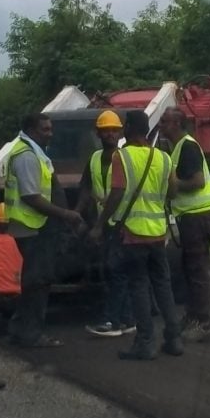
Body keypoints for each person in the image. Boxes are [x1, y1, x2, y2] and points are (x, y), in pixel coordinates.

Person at [92, 110, 183, 361]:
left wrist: (100, 224)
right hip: (158, 233)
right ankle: (174, 339)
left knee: (139, 286)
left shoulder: (123, 156)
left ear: (128, 128)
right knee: (163, 286)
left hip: (133, 234)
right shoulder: (163, 157)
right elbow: (173, 192)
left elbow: (118, 192)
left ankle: (145, 343)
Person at [5, 112, 84, 348]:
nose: (50, 134)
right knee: (37, 282)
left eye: (50, 129)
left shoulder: (32, 152)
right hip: (32, 226)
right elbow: (31, 197)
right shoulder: (27, 156)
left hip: (34, 226)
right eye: (45, 130)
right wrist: (65, 214)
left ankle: (20, 328)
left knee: (34, 280)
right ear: (30, 129)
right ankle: (31, 333)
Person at [158, 106, 210, 342]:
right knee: (189, 268)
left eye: (164, 122)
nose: (160, 125)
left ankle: (202, 322)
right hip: (191, 216)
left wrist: (170, 186)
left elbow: (198, 181)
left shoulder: (188, 146)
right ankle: (193, 316)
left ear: (176, 124)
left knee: (197, 270)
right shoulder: (177, 148)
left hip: (197, 215)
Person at [75, 110, 136, 338]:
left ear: (120, 132)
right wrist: (76, 213)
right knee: (115, 272)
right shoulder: (93, 159)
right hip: (105, 224)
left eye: (114, 130)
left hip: (123, 223)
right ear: (98, 133)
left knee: (115, 271)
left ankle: (112, 320)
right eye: (105, 130)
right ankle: (128, 319)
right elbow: (86, 188)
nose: (110, 134)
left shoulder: (125, 158)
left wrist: (98, 226)